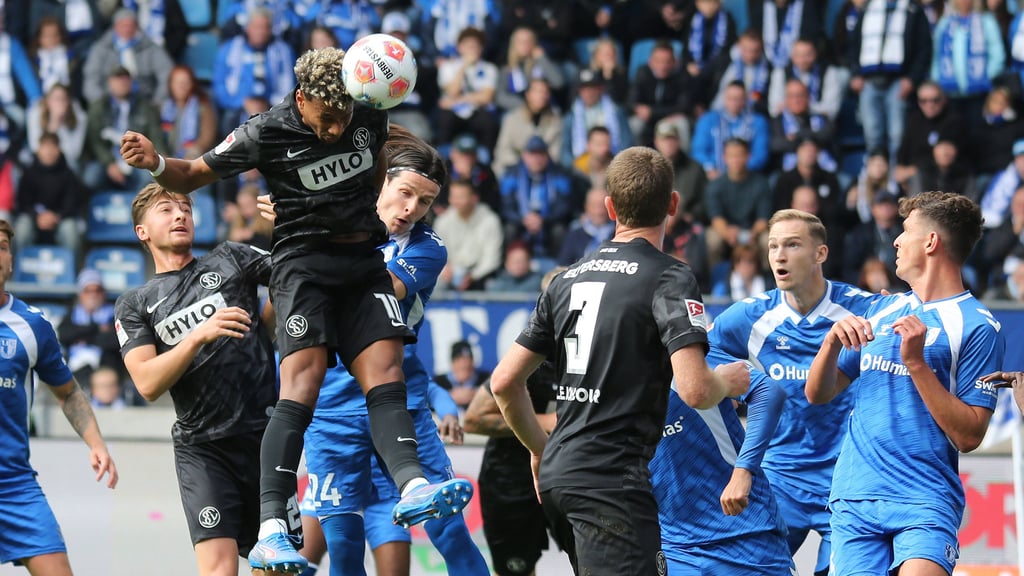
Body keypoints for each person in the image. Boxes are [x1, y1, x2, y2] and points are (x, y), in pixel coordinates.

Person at [119, 47, 470, 573]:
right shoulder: (265, 132)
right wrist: (157, 163)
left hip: (361, 262)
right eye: (326, 119)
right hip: (303, 266)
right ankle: (271, 533)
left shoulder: (367, 106)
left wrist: (341, 205)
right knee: (300, 386)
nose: (335, 130)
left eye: (344, 118)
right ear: (302, 101)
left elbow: (375, 163)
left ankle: (414, 484)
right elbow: (192, 173)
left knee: (387, 370)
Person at [490, 146, 749, 576]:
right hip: (611, 485)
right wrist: (727, 381)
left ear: (610, 207)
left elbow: (503, 383)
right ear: (673, 204)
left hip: (560, 479)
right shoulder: (671, 276)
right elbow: (696, 389)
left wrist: (540, 450)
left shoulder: (566, 278)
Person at [299, 125, 488, 575]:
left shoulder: (427, 248)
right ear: (381, 179)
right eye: (405, 193)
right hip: (333, 411)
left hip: (400, 405)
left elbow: (377, 291)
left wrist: (309, 234)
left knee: (448, 532)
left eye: (424, 202)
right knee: (341, 545)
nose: (411, 209)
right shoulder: (332, 224)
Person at [806, 192, 1005, 576]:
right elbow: (818, 393)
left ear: (931, 242)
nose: (896, 240)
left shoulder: (979, 325)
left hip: (924, 498)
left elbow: (969, 436)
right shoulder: (882, 309)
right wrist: (830, 343)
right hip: (856, 495)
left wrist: (916, 363)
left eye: (906, 231)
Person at [114, 183, 283, 576]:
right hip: (203, 449)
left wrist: (289, 230)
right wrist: (198, 335)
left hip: (266, 437)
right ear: (143, 232)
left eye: (185, 207)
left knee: (276, 568)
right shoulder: (135, 303)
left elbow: (293, 275)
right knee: (219, 570)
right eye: (166, 210)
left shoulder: (231, 257)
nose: (180, 215)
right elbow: (147, 383)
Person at [710, 209, 881, 576]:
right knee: (745, 569)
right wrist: (728, 383)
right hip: (779, 477)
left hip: (846, 478)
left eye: (792, 244)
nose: (779, 256)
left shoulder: (863, 309)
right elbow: (700, 354)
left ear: (820, 254)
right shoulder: (752, 317)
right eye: (773, 246)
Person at [0, 218, 119, 575]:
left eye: (3, 247)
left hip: (14, 485)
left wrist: (96, 443)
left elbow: (68, 394)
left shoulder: (33, 325)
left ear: (11, 260)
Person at [650, 347, 792, 575]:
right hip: (674, 546)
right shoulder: (603, 375)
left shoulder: (683, 353)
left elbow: (767, 391)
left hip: (746, 536)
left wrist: (743, 471)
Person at [463, 268, 563, 576]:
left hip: (572, 475)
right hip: (511, 483)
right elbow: (474, 419)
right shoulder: (528, 354)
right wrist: (546, 421)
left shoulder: (597, 351)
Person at [435, 340, 492, 410]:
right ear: (453, 363)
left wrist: (476, 395)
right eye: (459, 361)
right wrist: (449, 397)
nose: (464, 364)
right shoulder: (439, 382)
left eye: (468, 360)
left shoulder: (485, 379)